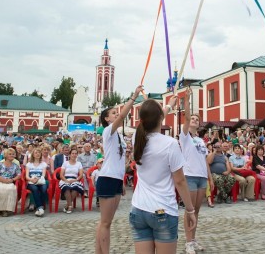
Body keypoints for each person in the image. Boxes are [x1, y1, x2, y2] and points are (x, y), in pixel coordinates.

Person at [129, 98, 196, 254]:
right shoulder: (170, 143)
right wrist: (190, 210)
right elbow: (179, 180)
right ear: (160, 118)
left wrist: (168, 106)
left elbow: (153, 120)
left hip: (139, 208)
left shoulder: (137, 139)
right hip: (162, 210)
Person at [95, 85, 143, 254]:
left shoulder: (118, 135)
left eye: (116, 112)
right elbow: (123, 115)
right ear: (107, 119)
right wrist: (134, 96)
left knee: (106, 222)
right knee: (105, 222)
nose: (117, 114)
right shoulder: (108, 131)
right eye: (113, 113)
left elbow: (119, 160)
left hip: (115, 179)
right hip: (107, 178)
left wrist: (122, 180)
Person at [59, 147, 84, 213]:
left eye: (76, 153)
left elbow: (81, 174)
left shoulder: (79, 163)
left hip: (75, 179)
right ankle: (70, 206)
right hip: (65, 179)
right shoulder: (65, 163)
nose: (74, 155)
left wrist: (76, 179)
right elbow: (61, 174)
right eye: (73, 153)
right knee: (66, 187)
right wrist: (66, 180)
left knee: (75, 187)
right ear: (70, 155)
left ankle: (68, 205)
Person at [26, 148, 49, 216]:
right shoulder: (29, 164)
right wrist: (32, 179)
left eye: (39, 152)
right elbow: (27, 176)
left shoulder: (43, 164)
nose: (37, 154)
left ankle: (39, 207)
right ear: (33, 154)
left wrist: (37, 178)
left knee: (44, 189)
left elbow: (43, 175)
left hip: (40, 180)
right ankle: (40, 207)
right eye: (36, 152)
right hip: (31, 181)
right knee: (35, 189)